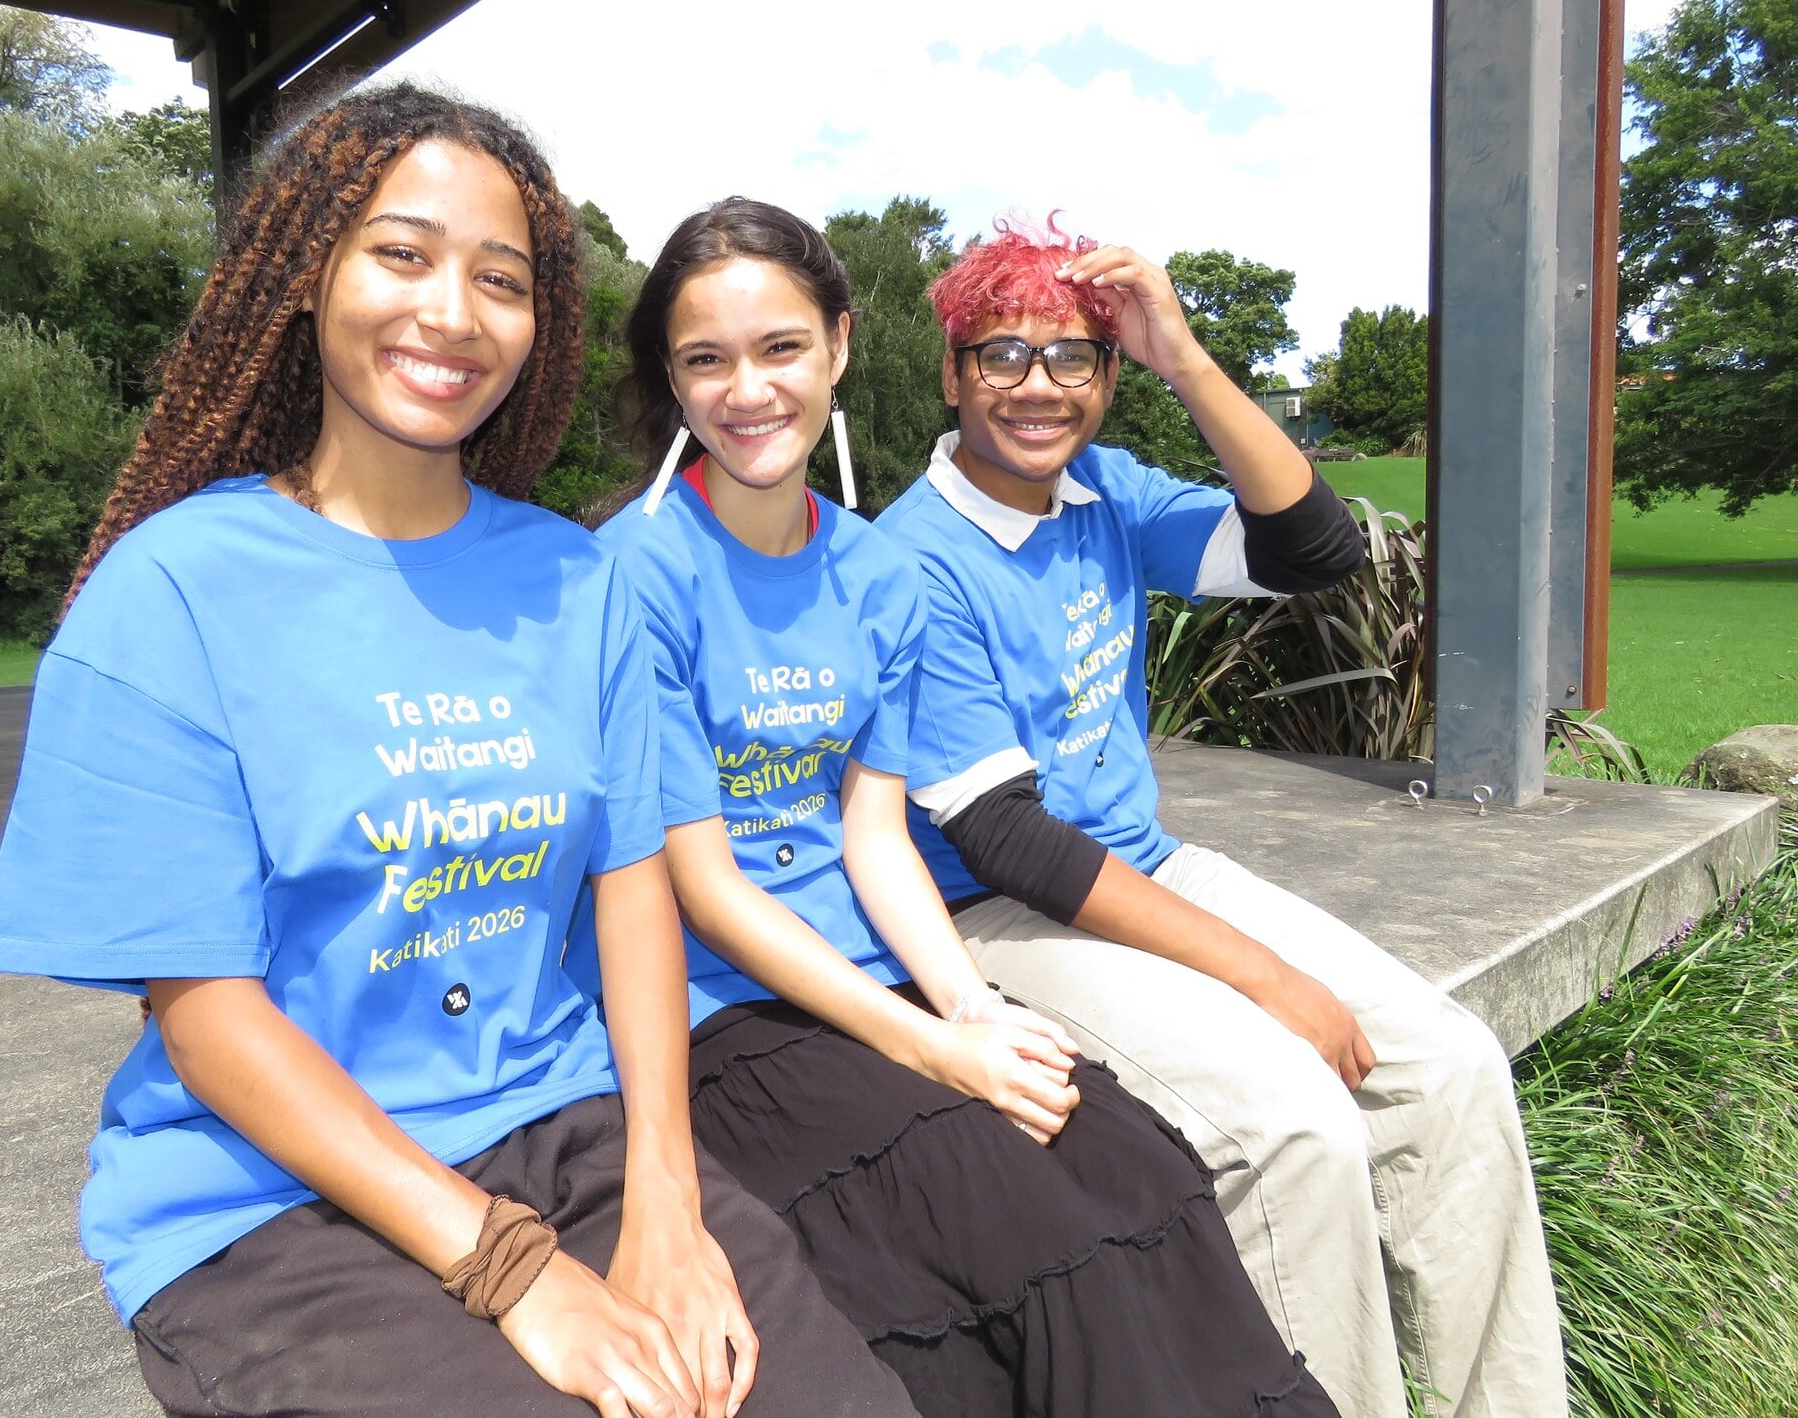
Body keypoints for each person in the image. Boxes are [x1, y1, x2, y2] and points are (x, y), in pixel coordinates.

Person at [0, 85, 919, 1418]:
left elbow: (633, 883)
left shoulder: (571, 580)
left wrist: (667, 1198)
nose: (453, 313)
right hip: (265, 1197)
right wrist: (510, 1270)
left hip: (567, 1134)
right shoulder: (173, 589)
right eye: (401, 254)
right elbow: (204, 1010)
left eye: (501, 279)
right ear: (308, 275)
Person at [572, 197, 1342, 1417]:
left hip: (871, 965)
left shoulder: (873, 568)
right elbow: (703, 886)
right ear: (669, 381)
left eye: (778, 349)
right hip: (723, 1006)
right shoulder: (631, 570)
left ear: (835, 346)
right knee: (1021, 1241)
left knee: (1132, 1167)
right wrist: (936, 1050)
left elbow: (874, 835)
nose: (746, 390)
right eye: (703, 360)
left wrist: (972, 1008)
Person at [873, 216, 1568, 1418]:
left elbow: (1311, 549)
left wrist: (1182, 358)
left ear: (1105, 377)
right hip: (994, 914)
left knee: (1450, 1068)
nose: (1037, 387)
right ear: (950, 374)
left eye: (1073, 358)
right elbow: (1010, 841)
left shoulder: (1102, 494)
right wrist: (1268, 982)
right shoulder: (910, 562)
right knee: (1292, 1125)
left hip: (1140, 868)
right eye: (1001, 355)